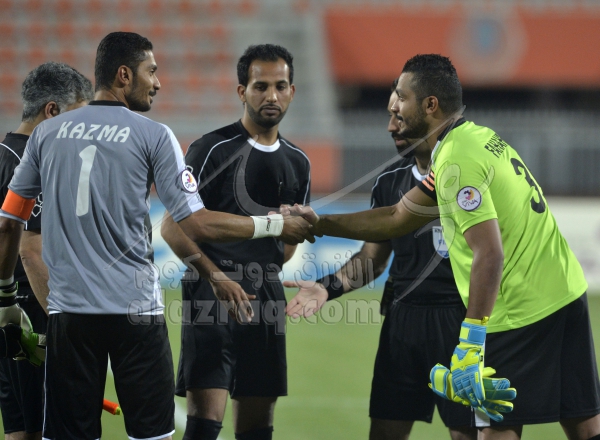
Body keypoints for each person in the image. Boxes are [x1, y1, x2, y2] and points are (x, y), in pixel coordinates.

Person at [0, 32, 313, 440]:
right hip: (136, 313)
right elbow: (195, 223)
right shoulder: (154, 134)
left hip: (69, 315)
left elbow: (10, 222)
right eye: (152, 71)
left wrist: (6, 297)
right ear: (124, 75)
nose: (159, 82)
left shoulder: (46, 134)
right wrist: (274, 224)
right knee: (151, 435)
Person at [286, 54, 600, 440]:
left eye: (402, 98)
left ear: (430, 105)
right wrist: (320, 225)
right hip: (565, 291)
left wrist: (471, 342)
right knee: (583, 423)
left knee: (495, 431)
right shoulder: (477, 139)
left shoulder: (455, 160)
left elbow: (490, 253)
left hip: (521, 308)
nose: (393, 110)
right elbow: (397, 218)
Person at [285, 77, 476, 440]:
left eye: (399, 117)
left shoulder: (466, 173)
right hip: (402, 323)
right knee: (385, 431)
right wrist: (327, 287)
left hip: (459, 320)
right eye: (390, 116)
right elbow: (373, 259)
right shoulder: (389, 182)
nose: (391, 127)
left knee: (468, 433)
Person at [160, 43, 310, 440]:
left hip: (266, 295)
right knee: (204, 424)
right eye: (261, 86)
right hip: (212, 293)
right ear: (242, 91)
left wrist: (267, 262)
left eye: (280, 86)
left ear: (292, 91)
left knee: (258, 427)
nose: (271, 95)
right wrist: (215, 276)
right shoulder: (211, 149)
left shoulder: (299, 162)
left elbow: (289, 243)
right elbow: (173, 226)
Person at [0, 61, 93, 440]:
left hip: (8, 313)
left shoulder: (3, 153)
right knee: (45, 428)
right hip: (32, 315)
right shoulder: (31, 163)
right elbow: (31, 250)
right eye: (77, 117)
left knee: (20, 428)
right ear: (52, 111)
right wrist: (64, 327)